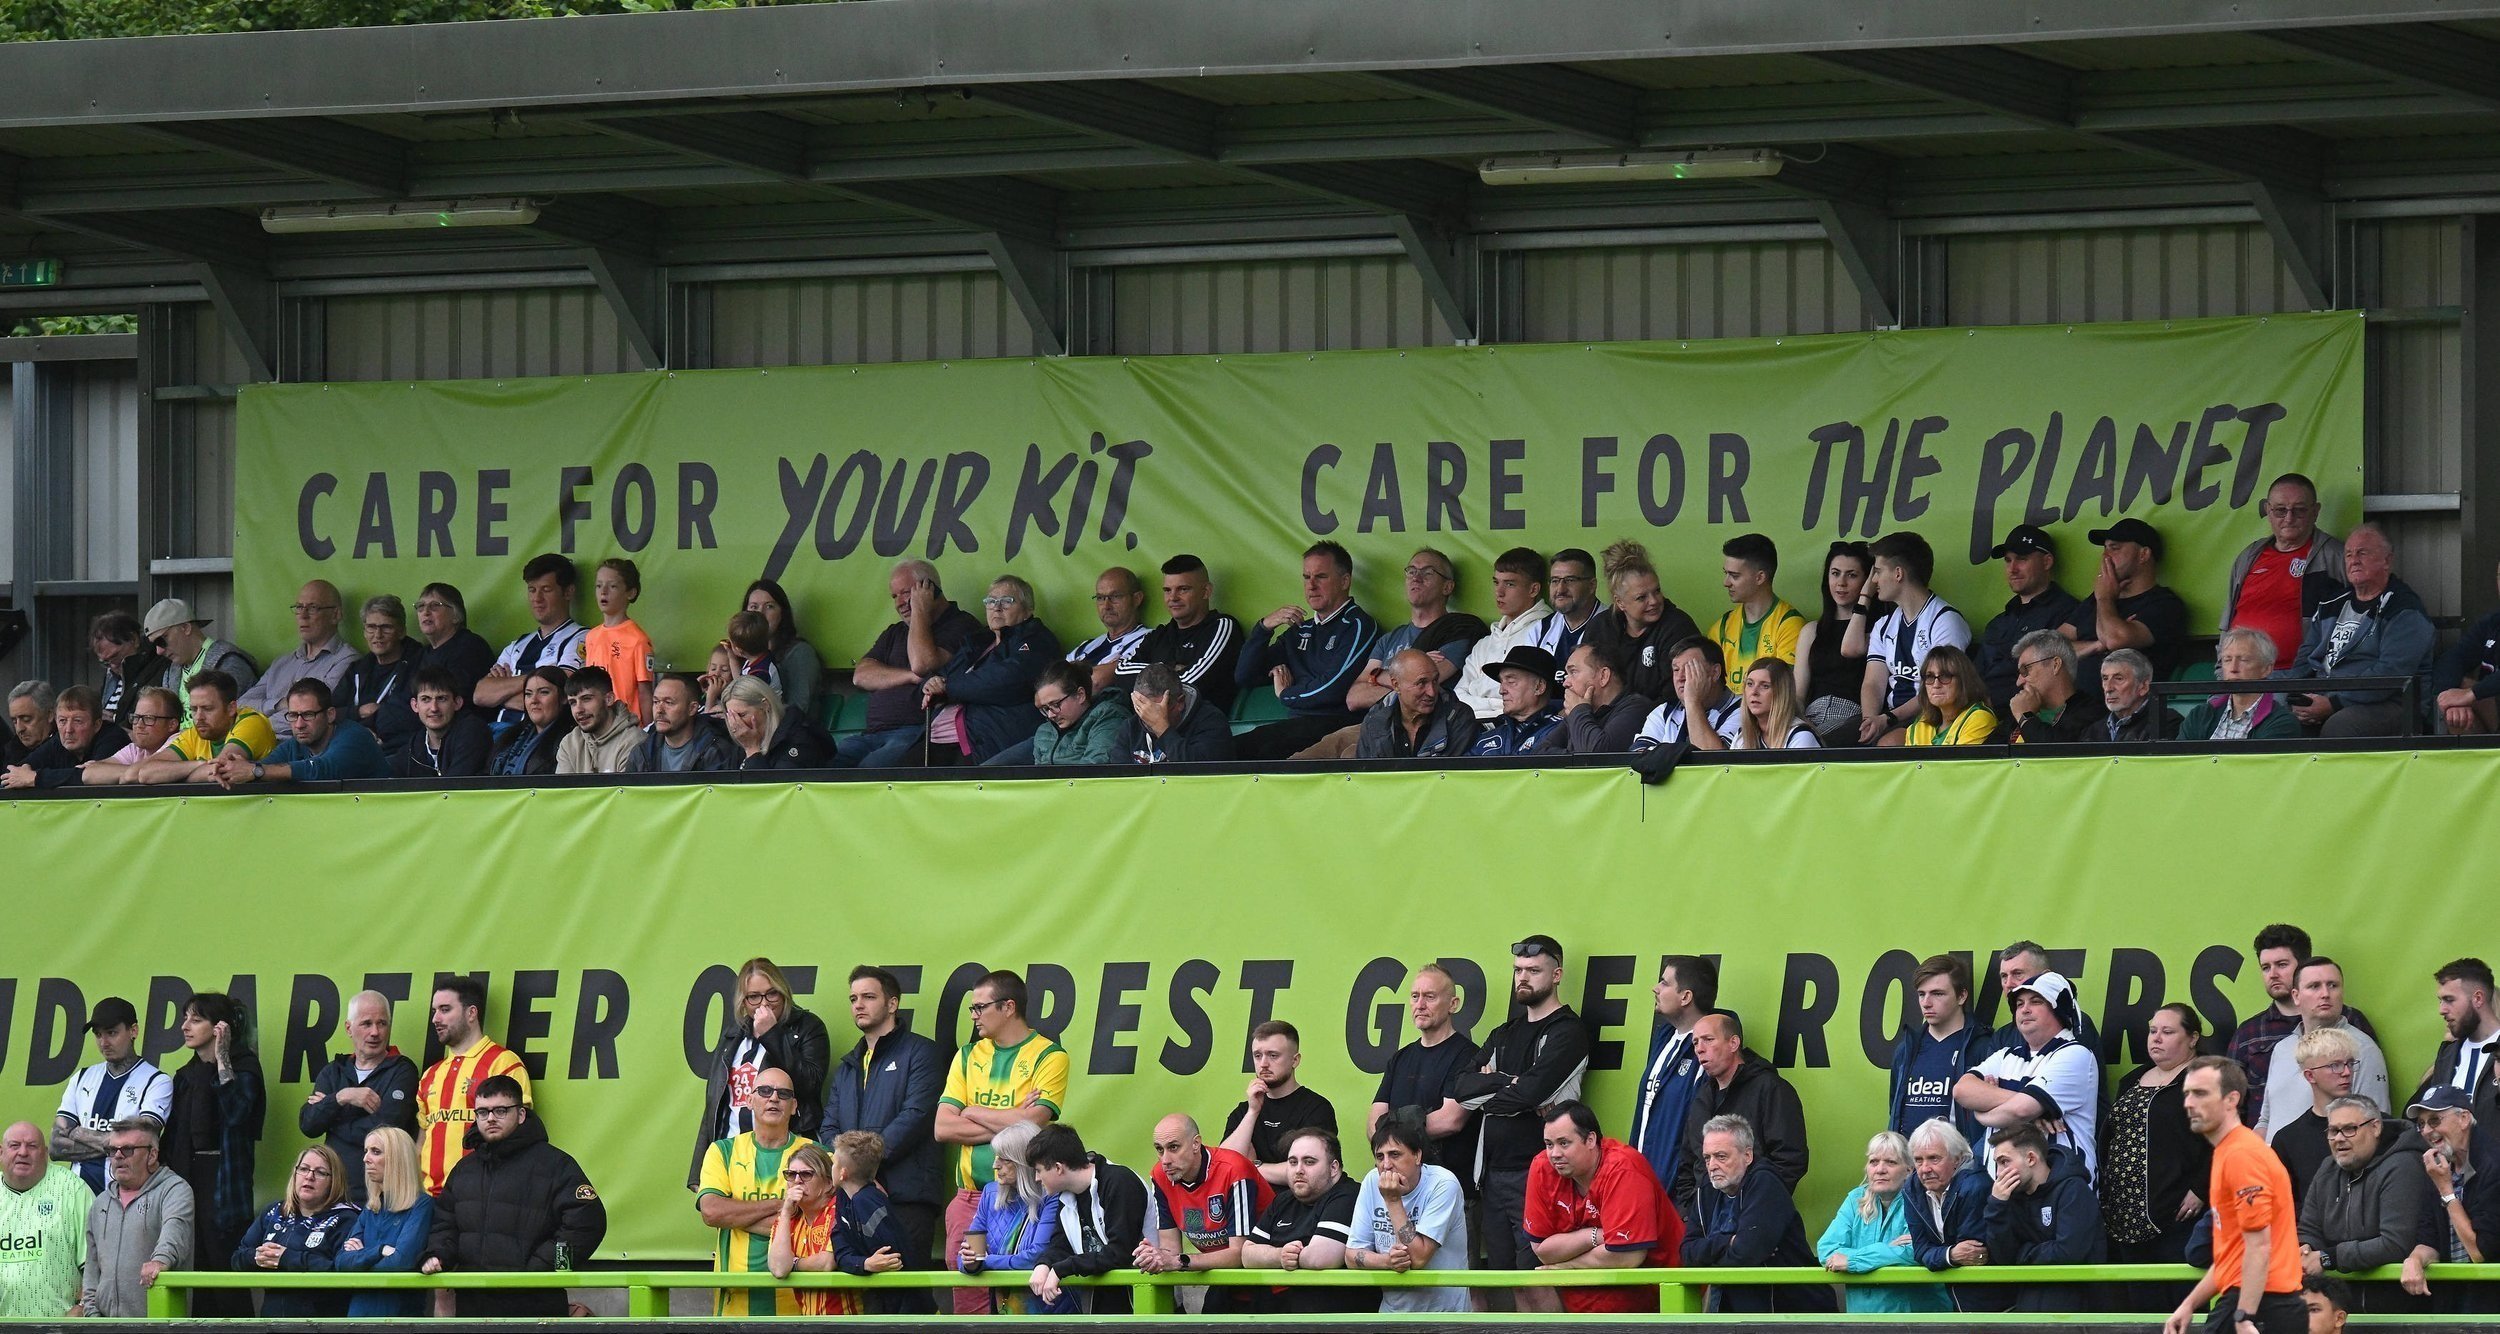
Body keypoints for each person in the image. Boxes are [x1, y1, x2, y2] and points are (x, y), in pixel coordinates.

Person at [1453, 935, 1592, 1285]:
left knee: (1537, 1281)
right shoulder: (1504, 1032)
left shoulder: (1568, 1032)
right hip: (1491, 1175)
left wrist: (1501, 1087)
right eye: (1518, 970)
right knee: (1499, 1281)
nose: (1523, 978)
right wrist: (1509, 1082)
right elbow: (1461, 1089)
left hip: (1542, 1173)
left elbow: (1529, 1094)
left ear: (1557, 975)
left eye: (1534, 970)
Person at [938, 970, 1069, 1315]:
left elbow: (1032, 1124)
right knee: (970, 1303)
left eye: (980, 1007)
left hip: (1029, 1195)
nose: (974, 1016)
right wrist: (1012, 1117)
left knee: (1025, 1297)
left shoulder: (1050, 1056)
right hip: (970, 1197)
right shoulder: (967, 1055)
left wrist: (971, 1110)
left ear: (1008, 1006)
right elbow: (942, 1127)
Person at [421, 1075, 605, 1317]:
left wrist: (540, 1269)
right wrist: (438, 1255)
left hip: (536, 1308)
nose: (490, 1118)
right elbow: (444, 1225)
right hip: (472, 1309)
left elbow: (587, 1223)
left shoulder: (555, 1164)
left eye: (500, 1110)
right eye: (482, 1112)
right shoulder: (464, 1170)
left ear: (521, 1114)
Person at [2167, 1057, 2308, 1334]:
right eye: (2187, 1094)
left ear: (2231, 1100)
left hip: (2264, 1303)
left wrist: (2245, 1316)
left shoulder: (2242, 1154)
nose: (2188, 1103)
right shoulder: (2228, 1151)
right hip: (2254, 1300)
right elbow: (2233, 1254)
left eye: (2200, 1093)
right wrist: (2190, 1304)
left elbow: (2260, 1247)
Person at [821, 965, 946, 1271]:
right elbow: (828, 1128)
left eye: (868, 996)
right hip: (854, 1197)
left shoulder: (921, 1053)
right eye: (853, 999)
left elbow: (915, 1117)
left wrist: (860, 1167)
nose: (858, 1005)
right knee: (866, 1301)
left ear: (892, 1004)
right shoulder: (849, 1065)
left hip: (905, 1197)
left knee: (906, 1300)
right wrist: (856, 1175)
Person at [1524, 1100, 1683, 1314]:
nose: (1554, 1154)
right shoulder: (1542, 1167)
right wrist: (1595, 1235)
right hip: (1583, 1305)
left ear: (1590, 1140)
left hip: (1659, 1300)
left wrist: (1565, 1266)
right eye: (1549, 1144)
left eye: (1564, 1143)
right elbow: (1543, 1251)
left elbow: (1627, 1257)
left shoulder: (1623, 1168)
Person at [690, 958, 831, 1193]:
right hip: (733, 1152)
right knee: (730, 1219)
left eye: (771, 994)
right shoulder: (732, 1036)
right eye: (754, 996)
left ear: (784, 993)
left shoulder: (807, 1027)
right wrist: (699, 1168)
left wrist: (772, 1035)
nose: (764, 1003)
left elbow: (810, 1084)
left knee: (782, 1221)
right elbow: (715, 1101)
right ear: (743, 1002)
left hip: (784, 1155)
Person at [2106, 1004, 2214, 1304]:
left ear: (2192, 1038)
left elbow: (2224, 1137)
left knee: (2181, 1304)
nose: (2156, 1038)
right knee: (2140, 1308)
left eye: (2168, 1032)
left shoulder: (2204, 1077)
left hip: (2177, 1213)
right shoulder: (2132, 1080)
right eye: (2153, 1031)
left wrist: (2201, 1188)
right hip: (2125, 1217)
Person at [162, 992, 262, 1317]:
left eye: (196, 1019)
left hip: (224, 1184)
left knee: (226, 1276)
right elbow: (173, 1136)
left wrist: (222, 1058)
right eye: (185, 1018)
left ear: (220, 1027)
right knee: (198, 1276)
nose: (185, 1026)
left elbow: (238, 1113)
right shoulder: (185, 1076)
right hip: (189, 1181)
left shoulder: (244, 1066)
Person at [2285, 523, 2437, 737]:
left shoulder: (2405, 609)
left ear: (2387, 561)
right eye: (2348, 554)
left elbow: (2390, 673)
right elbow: (2305, 656)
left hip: (2391, 703)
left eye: (2362, 553)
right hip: (2326, 696)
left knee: (2339, 727)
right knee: (2280, 721)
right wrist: (2295, 696)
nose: (2354, 560)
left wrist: (2334, 703)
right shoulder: (2331, 604)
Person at [1234, 541, 1381, 758]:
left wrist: (1286, 694)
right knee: (1227, 747)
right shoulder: (1299, 630)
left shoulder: (1358, 625)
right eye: (1306, 577)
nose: (1311, 585)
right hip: (1297, 725)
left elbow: (1332, 689)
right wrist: (1264, 628)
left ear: (1344, 581)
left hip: (1335, 726)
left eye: (1320, 576)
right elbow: (1244, 676)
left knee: (1244, 749)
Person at [837, 561, 985, 768]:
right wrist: (909, 677)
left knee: (867, 772)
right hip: (870, 735)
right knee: (823, 770)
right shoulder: (895, 632)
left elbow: (922, 664)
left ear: (928, 589)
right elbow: (861, 676)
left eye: (906, 593)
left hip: (919, 734)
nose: (899, 603)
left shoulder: (962, 624)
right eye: (894, 596)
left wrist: (920, 612)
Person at [2231, 925, 2377, 1134]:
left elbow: (2372, 1105)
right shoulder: (2250, 1033)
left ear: (2303, 966)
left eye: (2282, 964)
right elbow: (2240, 1105)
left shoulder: (2351, 1024)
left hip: (2334, 1150)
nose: (2273, 974)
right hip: (2270, 1156)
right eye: (2265, 967)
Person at [1957, 970, 2100, 1178]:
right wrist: (2037, 1108)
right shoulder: (2006, 1055)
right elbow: (1961, 1090)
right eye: (2019, 1004)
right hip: (2005, 1192)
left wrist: (1982, 1112)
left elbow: (2021, 1110)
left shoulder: (2076, 1054)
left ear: (2058, 1009)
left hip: (2059, 1192)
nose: (2025, 1009)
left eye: (2035, 1002)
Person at [2295, 1096, 2439, 1302]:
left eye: (2349, 1129)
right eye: (2333, 1131)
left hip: (2397, 1303)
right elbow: (2310, 1228)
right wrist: (2306, 1247)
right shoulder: (2328, 1168)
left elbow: (2395, 1244)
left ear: (2375, 1127)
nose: (2339, 1138)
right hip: (2342, 1301)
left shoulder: (2403, 1165)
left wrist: (2329, 1258)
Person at [1683, 1114, 1832, 1312]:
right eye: (1707, 1158)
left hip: (1792, 1314)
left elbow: (1747, 1253)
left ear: (1748, 1156)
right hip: (1733, 1312)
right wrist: (1729, 1241)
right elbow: (1687, 1254)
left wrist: (1712, 1251)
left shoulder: (1765, 1182)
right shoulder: (1706, 1191)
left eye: (1721, 1156)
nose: (1712, 1166)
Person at [697, 1064, 813, 1316]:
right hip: (735, 1305)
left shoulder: (816, 1154)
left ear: (794, 1106)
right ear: (749, 1101)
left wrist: (735, 1217)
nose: (773, 1098)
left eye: (783, 1094)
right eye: (764, 1090)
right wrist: (783, 1206)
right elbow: (712, 1212)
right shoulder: (722, 1151)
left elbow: (817, 1222)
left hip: (798, 1305)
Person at [1673, 1011, 1808, 1213]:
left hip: (1755, 1220)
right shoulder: (1701, 1097)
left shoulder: (1771, 1089)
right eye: (1695, 1043)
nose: (1700, 1049)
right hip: (1706, 1227)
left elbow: (1790, 1159)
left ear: (1733, 1043)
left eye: (1708, 1040)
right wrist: (1690, 1212)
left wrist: (1754, 1209)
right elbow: (1688, 1162)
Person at [921, 575, 1062, 764]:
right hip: (935, 737)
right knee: (893, 776)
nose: (997, 607)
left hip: (986, 739)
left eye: (1007, 601)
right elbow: (942, 675)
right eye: (991, 601)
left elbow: (1008, 679)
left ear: (1028, 610)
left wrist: (948, 688)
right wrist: (931, 684)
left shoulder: (1037, 639)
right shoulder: (977, 642)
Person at [1343, 1111, 1470, 1312]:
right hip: (1392, 1314)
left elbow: (1418, 1258)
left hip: (1444, 1316)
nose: (1386, 1165)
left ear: (1417, 1155)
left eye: (1395, 1154)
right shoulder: (1371, 1181)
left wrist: (1393, 1201)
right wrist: (1387, 1261)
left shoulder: (1443, 1184)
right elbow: (1351, 1256)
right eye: (1379, 1156)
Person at [300, 991, 419, 1205]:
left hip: (381, 1199)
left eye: (382, 1023)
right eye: (366, 1023)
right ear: (349, 1028)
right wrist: (342, 1097)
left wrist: (333, 1122)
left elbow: (387, 1132)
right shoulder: (333, 1072)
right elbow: (309, 1124)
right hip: (333, 1196)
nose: (375, 1032)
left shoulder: (402, 1070)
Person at [417, 977, 531, 1196]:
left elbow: (520, 1134)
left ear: (471, 1013)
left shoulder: (503, 1062)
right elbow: (421, 1142)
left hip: (481, 1194)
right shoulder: (430, 1074)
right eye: (434, 1011)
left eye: (445, 1009)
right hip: (432, 1200)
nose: (435, 1019)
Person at [1369, 964, 1480, 1187]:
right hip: (1399, 1187)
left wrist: (1391, 1138)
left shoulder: (1469, 1056)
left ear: (1453, 1004)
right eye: (1415, 996)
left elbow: (1451, 1120)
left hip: (1450, 1188)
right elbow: (1373, 1122)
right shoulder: (1400, 1058)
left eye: (1430, 996)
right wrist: (1399, 1145)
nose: (1420, 1005)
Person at [1137, 1113, 1272, 1296]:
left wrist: (1180, 1261)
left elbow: (1239, 1254)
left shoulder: (1233, 1169)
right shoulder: (1160, 1176)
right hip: (1221, 1278)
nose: (1165, 1160)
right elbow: (1171, 1250)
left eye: (1174, 1147)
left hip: (1269, 1279)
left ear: (1196, 1144)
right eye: (1160, 1150)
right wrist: (1155, 1258)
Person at [2225, 473, 2348, 672]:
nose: (2289, 518)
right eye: (2281, 510)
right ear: (2268, 510)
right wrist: (2221, 670)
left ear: (2315, 511)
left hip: (2298, 677)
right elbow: (2228, 616)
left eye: (2299, 510)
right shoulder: (2249, 556)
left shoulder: (2335, 556)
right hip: (2240, 676)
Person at [1858, 531, 1974, 743]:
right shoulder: (1884, 625)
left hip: (1932, 717)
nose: (1873, 580)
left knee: (1887, 744)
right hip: (1890, 717)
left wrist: (1889, 718)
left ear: (1898, 574)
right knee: (1827, 743)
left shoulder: (1944, 620)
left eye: (1877, 572)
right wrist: (1870, 721)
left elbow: (1941, 689)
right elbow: (1873, 683)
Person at [2260, 958, 2391, 1143]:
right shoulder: (2282, 1049)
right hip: (2274, 1167)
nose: (2325, 994)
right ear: (2296, 996)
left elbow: (2376, 1125)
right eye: (2314, 986)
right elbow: (2265, 1119)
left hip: (2326, 1167)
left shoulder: (2362, 1048)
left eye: (2333, 985)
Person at [1817, 1130, 1947, 1313]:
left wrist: (1853, 1259)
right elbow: (1827, 1250)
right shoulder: (1855, 1199)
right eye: (1874, 1162)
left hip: (1916, 1318)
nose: (1880, 1170)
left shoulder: (1924, 1199)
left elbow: (1917, 1251)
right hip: (1862, 1318)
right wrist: (1890, 1250)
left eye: (1891, 1162)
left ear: (1909, 1170)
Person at [1025, 1123, 1150, 1314]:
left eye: (1039, 1170)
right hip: (1101, 1305)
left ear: (1058, 1168)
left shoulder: (1119, 1182)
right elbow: (1061, 1245)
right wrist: (1044, 1264)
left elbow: (1122, 1252)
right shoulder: (1065, 1196)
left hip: (1144, 1301)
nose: (1037, 1178)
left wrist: (1062, 1269)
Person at [955, 1121, 1076, 1315]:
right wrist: (970, 1262)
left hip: (1047, 1308)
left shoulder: (1052, 1196)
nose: (995, 1165)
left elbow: (1036, 1256)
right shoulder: (989, 1193)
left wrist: (986, 1261)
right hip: (1003, 1309)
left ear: (1025, 1162)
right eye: (996, 1158)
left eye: (1005, 1159)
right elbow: (965, 1256)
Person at [53, 997, 171, 1193]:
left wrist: (77, 1132)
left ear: (133, 1031)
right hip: (76, 1197)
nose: (103, 1042)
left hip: (127, 1199)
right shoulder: (82, 1077)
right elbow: (57, 1147)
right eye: (98, 1035)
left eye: (112, 1033)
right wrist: (118, 1146)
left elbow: (141, 1145)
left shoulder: (156, 1081)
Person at [1984, 1123, 2106, 1311]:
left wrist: (2022, 1254)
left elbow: (2068, 1253)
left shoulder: (2073, 1190)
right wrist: (1997, 1206)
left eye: (2004, 1162)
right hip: (2030, 1306)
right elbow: (2003, 1257)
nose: (1999, 1173)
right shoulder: (2010, 1198)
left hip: (2079, 1309)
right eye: (1997, 1164)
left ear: (2031, 1158)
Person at [1241, 1127, 1364, 1313]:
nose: (1298, 1170)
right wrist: (1281, 1255)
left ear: (1333, 1168)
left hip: (1331, 1318)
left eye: (1309, 1162)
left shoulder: (1349, 1194)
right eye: (1292, 1162)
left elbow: (1320, 1258)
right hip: (1278, 1314)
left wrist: (1276, 1256)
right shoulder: (1283, 1200)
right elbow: (1247, 1256)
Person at [78, 1120, 193, 1318]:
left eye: (128, 1149)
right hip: (103, 1327)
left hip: (158, 1324)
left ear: (152, 1155)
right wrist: (92, 1316)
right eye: (113, 1150)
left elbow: (175, 1232)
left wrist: (160, 1260)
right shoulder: (100, 1203)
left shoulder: (174, 1190)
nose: (119, 1156)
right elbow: (92, 1269)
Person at [1344, 548, 1484, 711]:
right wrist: (1407, 679)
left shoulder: (1459, 630)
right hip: (1377, 725)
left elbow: (1422, 685)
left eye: (1428, 573)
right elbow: (1354, 698)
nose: (1416, 578)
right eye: (1411, 572)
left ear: (1447, 587)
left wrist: (1378, 675)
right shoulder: (1389, 639)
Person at [231, 1144, 359, 1318]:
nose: (309, 1176)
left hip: (322, 1322)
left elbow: (340, 1270)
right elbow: (237, 1258)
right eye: (304, 1169)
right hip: (271, 1321)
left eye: (320, 1172)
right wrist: (258, 1257)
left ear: (334, 1181)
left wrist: (286, 1258)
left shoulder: (347, 1219)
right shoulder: (274, 1212)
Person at [1111, 554, 1245, 711]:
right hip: (1150, 726)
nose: (1173, 597)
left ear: (1206, 591)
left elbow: (1192, 682)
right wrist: (1171, 668)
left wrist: (1151, 674)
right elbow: (1121, 672)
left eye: (1183, 589)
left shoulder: (1221, 626)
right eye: (1167, 590)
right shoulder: (1160, 634)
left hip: (1198, 727)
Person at [472, 553, 588, 730]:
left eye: (546, 589)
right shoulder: (518, 645)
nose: (537, 598)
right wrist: (541, 683)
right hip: (496, 734)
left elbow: (562, 689)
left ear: (568, 592)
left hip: (540, 738)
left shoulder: (581, 637)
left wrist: (503, 694)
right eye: (532, 590)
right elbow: (480, 695)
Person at [1975, 524, 2084, 710]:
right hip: (1980, 717)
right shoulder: (1999, 622)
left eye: (2022, 559)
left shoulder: (2069, 612)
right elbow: (1972, 679)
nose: (2012, 568)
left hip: (2030, 718)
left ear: (2047, 561)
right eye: (2008, 561)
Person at [1630, 956, 1713, 1200]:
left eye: (1665, 983)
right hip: (1642, 1186)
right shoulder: (1665, 1037)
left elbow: (1695, 1127)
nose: (1655, 988)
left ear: (1686, 997)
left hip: (1675, 1196)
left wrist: (1684, 1196)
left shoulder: (1705, 1053)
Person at [1223, 1022, 1341, 1190]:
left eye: (1273, 1055)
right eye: (1257, 1055)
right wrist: (1252, 1112)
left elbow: (1308, 1171)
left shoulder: (1317, 1108)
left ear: (1295, 1060)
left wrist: (1250, 1166)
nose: (1263, 1063)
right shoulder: (1244, 1111)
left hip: (1297, 1208)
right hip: (1250, 1208)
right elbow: (1224, 1166)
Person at [1583, 539, 1702, 705]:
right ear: (1620, 602)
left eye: (1657, 591)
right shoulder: (1600, 627)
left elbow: (1675, 696)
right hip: (1603, 717)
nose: (1653, 601)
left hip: (1659, 724)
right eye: (1641, 597)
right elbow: (1585, 681)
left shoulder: (1678, 626)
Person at [330, 1126, 432, 1318]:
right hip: (358, 1315)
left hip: (399, 1316)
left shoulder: (422, 1205)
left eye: (375, 1152)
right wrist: (380, 1251)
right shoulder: (371, 1208)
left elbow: (401, 1261)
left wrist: (361, 1257)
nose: (365, 1159)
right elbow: (341, 1262)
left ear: (398, 1159)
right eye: (366, 1151)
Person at [213, 678, 391, 787]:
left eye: (308, 715)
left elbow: (321, 770)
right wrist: (230, 768)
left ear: (330, 715)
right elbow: (263, 767)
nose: (299, 724)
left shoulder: (354, 737)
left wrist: (256, 771)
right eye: (293, 715)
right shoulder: (294, 745)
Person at [1890, 955, 1991, 1141]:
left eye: (1937, 994)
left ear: (1961, 996)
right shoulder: (1906, 1050)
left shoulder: (1983, 1047)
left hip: (1961, 1165)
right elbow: (1895, 1112)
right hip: (1909, 1165)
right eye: (1922, 994)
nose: (1926, 1002)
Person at [827, 1131, 928, 1315]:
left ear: (843, 1173)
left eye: (833, 1163)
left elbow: (890, 1260)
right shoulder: (843, 1197)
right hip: (882, 1303)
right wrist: (865, 1263)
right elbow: (841, 1252)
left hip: (908, 1309)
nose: (830, 1167)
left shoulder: (866, 1201)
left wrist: (863, 1263)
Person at [2408, 1086, 2500, 1280]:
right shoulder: (2439, 1167)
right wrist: (2415, 1259)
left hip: (2490, 1296)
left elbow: (2480, 1253)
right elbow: (2429, 1239)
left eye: (2434, 1121)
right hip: (2455, 1292)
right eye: (2421, 1124)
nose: (2426, 1131)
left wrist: (2446, 1190)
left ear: (2464, 1119)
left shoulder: (2493, 1164)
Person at [0, 1122, 91, 1317]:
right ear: (1, 1152)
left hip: (60, 1327)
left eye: (32, 1146)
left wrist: (82, 1306)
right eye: (14, 1145)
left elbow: (99, 1261)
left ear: (45, 1153)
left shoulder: (72, 1189)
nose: (23, 1152)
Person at [1453, 546, 1554, 720]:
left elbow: (1529, 700)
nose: (1499, 592)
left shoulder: (1548, 631)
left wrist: (1477, 691)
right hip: (1472, 728)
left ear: (1533, 590)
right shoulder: (1484, 643)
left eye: (1510, 584)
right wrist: (1497, 705)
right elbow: (1458, 697)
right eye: (1496, 582)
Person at [126, 671, 277, 785]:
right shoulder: (195, 732)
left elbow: (221, 768)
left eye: (207, 708)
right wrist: (201, 764)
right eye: (193, 709)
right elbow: (145, 773)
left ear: (231, 708)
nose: (198, 717)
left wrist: (175, 774)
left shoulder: (250, 722)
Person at [2275, 1027, 2365, 1212]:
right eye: (2335, 1065)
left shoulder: (2376, 1126)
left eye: (2350, 1063)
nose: (2346, 1072)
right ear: (2310, 1075)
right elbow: (2285, 1207)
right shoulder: (2288, 1140)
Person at [237, 579, 354, 721]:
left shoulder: (346, 660)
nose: (303, 616)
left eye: (313, 608)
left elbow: (313, 716)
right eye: (299, 607)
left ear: (335, 615)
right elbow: (240, 706)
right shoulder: (281, 663)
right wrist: (279, 704)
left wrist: (260, 720)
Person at [1904, 1118, 1992, 1305]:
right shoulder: (1912, 1188)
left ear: (1958, 1159)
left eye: (1934, 1158)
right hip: (1953, 1298)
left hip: (1992, 1298)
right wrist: (1950, 1255)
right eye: (1918, 1160)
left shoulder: (1975, 1186)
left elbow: (1973, 1253)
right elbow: (1920, 1251)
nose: (1925, 1169)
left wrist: (1939, 1255)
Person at [1793, 539, 1874, 740]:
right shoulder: (1811, 631)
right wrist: (1799, 723)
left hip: (1853, 719)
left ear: (1868, 581)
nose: (1841, 583)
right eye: (1835, 573)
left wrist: (1865, 598)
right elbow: (1798, 695)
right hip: (1811, 716)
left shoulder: (1878, 630)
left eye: (1852, 575)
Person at [765, 1142, 856, 1314]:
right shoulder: (786, 1219)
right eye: (791, 1175)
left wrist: (795, 1264)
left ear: (829, 1183)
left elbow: (827, 1262)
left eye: (806, 1174)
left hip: (848, 1322)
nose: (797, 1181)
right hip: (811, 1322)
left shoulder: (841, 1210)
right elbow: (778, 1269)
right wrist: (785, 1212)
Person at [1708, 533, 1806, 693]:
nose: (1726, 582)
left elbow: (1784, 694)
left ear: (1760, 577)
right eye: (1725, 573)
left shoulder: (1789, 624)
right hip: (1724, 717)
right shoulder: (1722, 626)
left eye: (1734, 576)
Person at [141, 597, 258, 726]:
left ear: (185, 628)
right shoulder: (171, 672)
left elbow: (236, 720)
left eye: (161, 640)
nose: (159, 651)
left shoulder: (229, 662)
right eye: (154, 645)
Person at [1349, 648, 1478, 759]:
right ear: (1396, 685)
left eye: (1435, 681)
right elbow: (1366, 779)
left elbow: (1449, 778)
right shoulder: (1375, 720)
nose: (1432, 692)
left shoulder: (1458, 718)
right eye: (1421, 683)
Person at [339, 594, 423, 757]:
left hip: (398, 751)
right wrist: (359, 712)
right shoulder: (357, 668)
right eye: (371, 627)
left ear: (401, 631)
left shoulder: (418, 663)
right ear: (364, 631)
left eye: (386, 627)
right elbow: (330, 711)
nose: (377, 635)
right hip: (353, 747)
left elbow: (408, 715)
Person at [2418, 958, 2500, 1125]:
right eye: (2440, 1001)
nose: (2442, 1010)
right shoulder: (2447, 1055)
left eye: (2449, 1000)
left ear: (2478, 999)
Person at [2182, 629, 2303, 740]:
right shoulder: (2200, 714)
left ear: (2266, 669)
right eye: (2227, 660)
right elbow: (2180, 761)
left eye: (2244, 660)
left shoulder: (2282, 722)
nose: (2233, 668)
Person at [3, 686, 129, 789]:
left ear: (96, 725)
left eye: (78, 721)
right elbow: (12, 775)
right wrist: (24, 774)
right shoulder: (58, 741)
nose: (68, 730)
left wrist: (36, 778)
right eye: (62, 721)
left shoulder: (112, 738)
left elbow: (94, 777)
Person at [1632, 637, 1742, 751]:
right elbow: (1638, 759)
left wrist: (1692, 702)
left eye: (1690, 669)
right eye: (1676, 670)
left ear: (1715, 672)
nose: (1680, 677)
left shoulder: (1743, 711)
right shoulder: (1664, 712)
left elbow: (1714, 760)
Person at [583, 557, 656, 724]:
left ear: (630, 592)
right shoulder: (591, 636)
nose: (604, 592)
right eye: (599, 586)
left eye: (613, 586)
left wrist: (649, 731)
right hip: (596, 724)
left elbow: (645, 691)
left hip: (626, 725)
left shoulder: (637, 639)